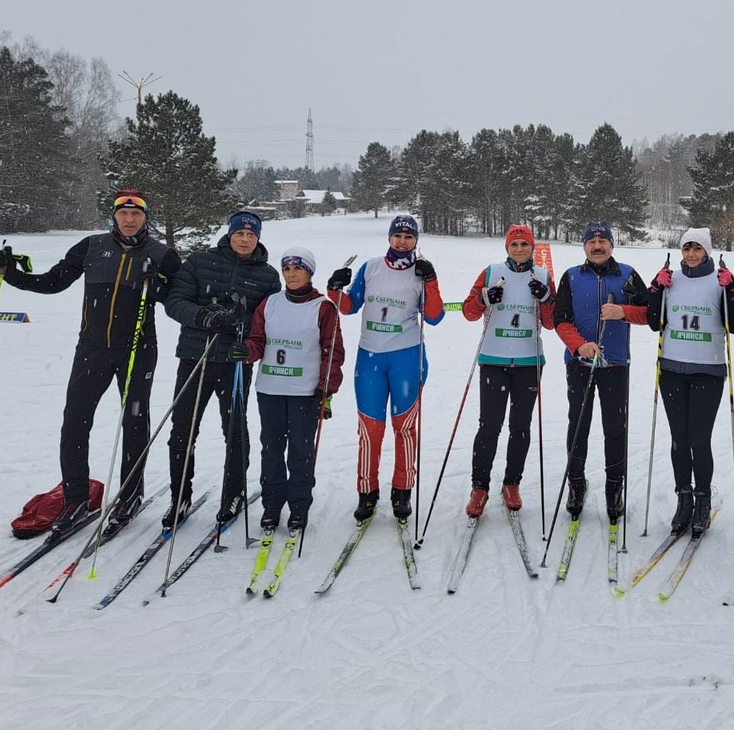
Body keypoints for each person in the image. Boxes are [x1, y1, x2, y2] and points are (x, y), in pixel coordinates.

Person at [0, 189, 181, 533]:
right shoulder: (91, 247)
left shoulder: (162, 254)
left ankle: (130, 494)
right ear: (114, 216)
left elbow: (176, 299)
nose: (129, 219)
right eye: (123, 213)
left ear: (145, 218)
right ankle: (75, 497)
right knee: (75, 420)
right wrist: (12, 274)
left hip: (137, 348)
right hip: (92, 348)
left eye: (136, 214)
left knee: (135, 422)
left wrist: (158, 287)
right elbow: (54, 282)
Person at [162, 210, 280, 528]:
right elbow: (175, 301)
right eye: (239, 234)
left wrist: (244, 325)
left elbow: (270, 318)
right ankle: (180, 496)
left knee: (235, 431)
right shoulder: (199, 261)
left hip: (235, 361)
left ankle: (234, 494)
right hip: (195, 357)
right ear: (229, 234)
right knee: (182, 431)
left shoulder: (268, 275)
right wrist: (205, 316)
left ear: (257, 238)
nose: (244, 239)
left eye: (251, 235)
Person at [327, 214, 444, 523]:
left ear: (416, 241)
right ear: (390, 238)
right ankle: (367, 493)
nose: (402, 241)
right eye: (398, 236)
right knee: (369, 429)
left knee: (404, 428)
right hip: (370, 357)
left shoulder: (421, 273)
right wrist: (334, 288)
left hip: (406, 357)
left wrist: (430, 281)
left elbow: (434, 316)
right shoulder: (371, 267)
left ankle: (402, 490)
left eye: (408, 237)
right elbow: (349, 306)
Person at [645, 227, 734, 536]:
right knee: (679, 438)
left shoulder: (718, 281)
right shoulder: (671, 280)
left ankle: (703, 500)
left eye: (697, 248)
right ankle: (684, 499)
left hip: (708, 370)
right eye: (687, 248)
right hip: (672, 370)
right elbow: (655, 322)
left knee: (699, 438)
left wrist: (732, 290)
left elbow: (733, 327)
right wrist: (655, 289)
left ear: (706, 251)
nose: (691, 254)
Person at [231, 248, 343, 532]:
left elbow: (333, 351)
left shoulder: (324, 307)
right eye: (287, 270)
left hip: (304, 391)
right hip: (270, 388)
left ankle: (299, 505)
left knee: (300, 451)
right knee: (271, 450)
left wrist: (326, 388)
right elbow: (258, 339)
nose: (291, 275)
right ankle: (271, 504)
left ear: (309, 272)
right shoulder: (270, 303)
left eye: (298, 269)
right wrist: (246, 351)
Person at [553, 222, 649, 523]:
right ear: (584, 246)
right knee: (578, 426)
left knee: (615, 428)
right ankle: (576, 484)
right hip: (580, 363)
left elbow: (651, 313)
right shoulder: (571, 276)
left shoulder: (628, 274)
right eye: (592, 241)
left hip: (616, 364)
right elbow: (560, 320)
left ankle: (613, 487)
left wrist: (624, 312)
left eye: (603, 241)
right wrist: (579, 345)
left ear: (611, 244)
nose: (597, 246)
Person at [460, 224, 557, 516]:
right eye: (514, 245)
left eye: (524, 245)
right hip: (493, 360)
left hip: (528, 363)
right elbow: (468, 312)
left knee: (520, 427)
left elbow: (551, 323)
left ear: (532, 247)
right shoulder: (491, 273)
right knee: (489, 426)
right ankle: (480, 487)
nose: (519, 249)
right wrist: (484, 298)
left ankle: (511, 483)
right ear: (507, 247)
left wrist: (547, 298)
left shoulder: (542, 276)